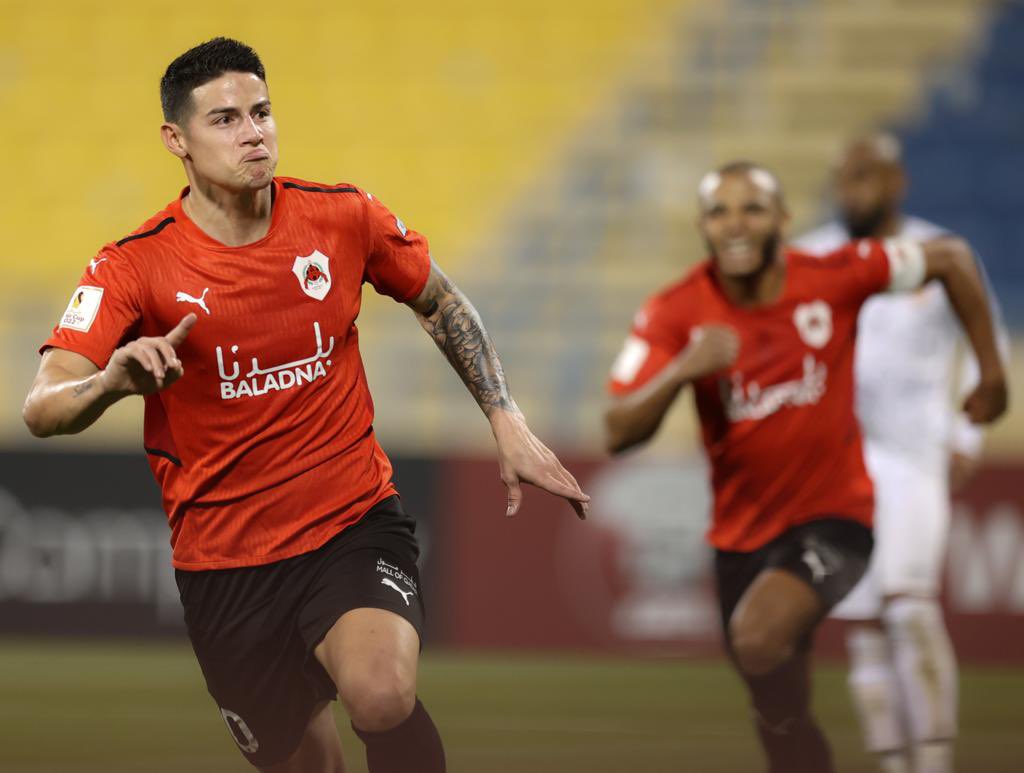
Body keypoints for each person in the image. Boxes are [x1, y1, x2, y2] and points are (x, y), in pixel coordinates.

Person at [22, 37, 589, 773]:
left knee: (381, 695)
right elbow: (42, 406)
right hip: (225, 565)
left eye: (261, 112)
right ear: (176, 140)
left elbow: (442, 302)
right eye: (224, 119)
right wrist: (108, 383)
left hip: (350, 523)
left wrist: (505, 417)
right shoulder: (133, 265)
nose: (253, 132)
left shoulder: (343, 216)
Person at [603, 161, 1006, 773]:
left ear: (783, 221)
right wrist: (683, 369)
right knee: (778, 708)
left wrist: (992, 372)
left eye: (752, 208)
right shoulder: (674, 311)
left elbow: (950, 257)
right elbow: (617, 430)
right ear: (703, 227)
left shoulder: (832, 275)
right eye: (719, 212)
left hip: (835, 518)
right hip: (741, 536)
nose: (736, 224)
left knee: (760, 636)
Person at [793, 133, 1009, 773]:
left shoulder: (939, 254)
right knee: (863, 632)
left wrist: (966, 436)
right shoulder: (810, 256)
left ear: (896, 182)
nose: (851, 191)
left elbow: (984, 341)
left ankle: (933, 764)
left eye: (864, 176)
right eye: (843, 178)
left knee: (910, 607)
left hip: (915, 456)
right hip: (836, 465)